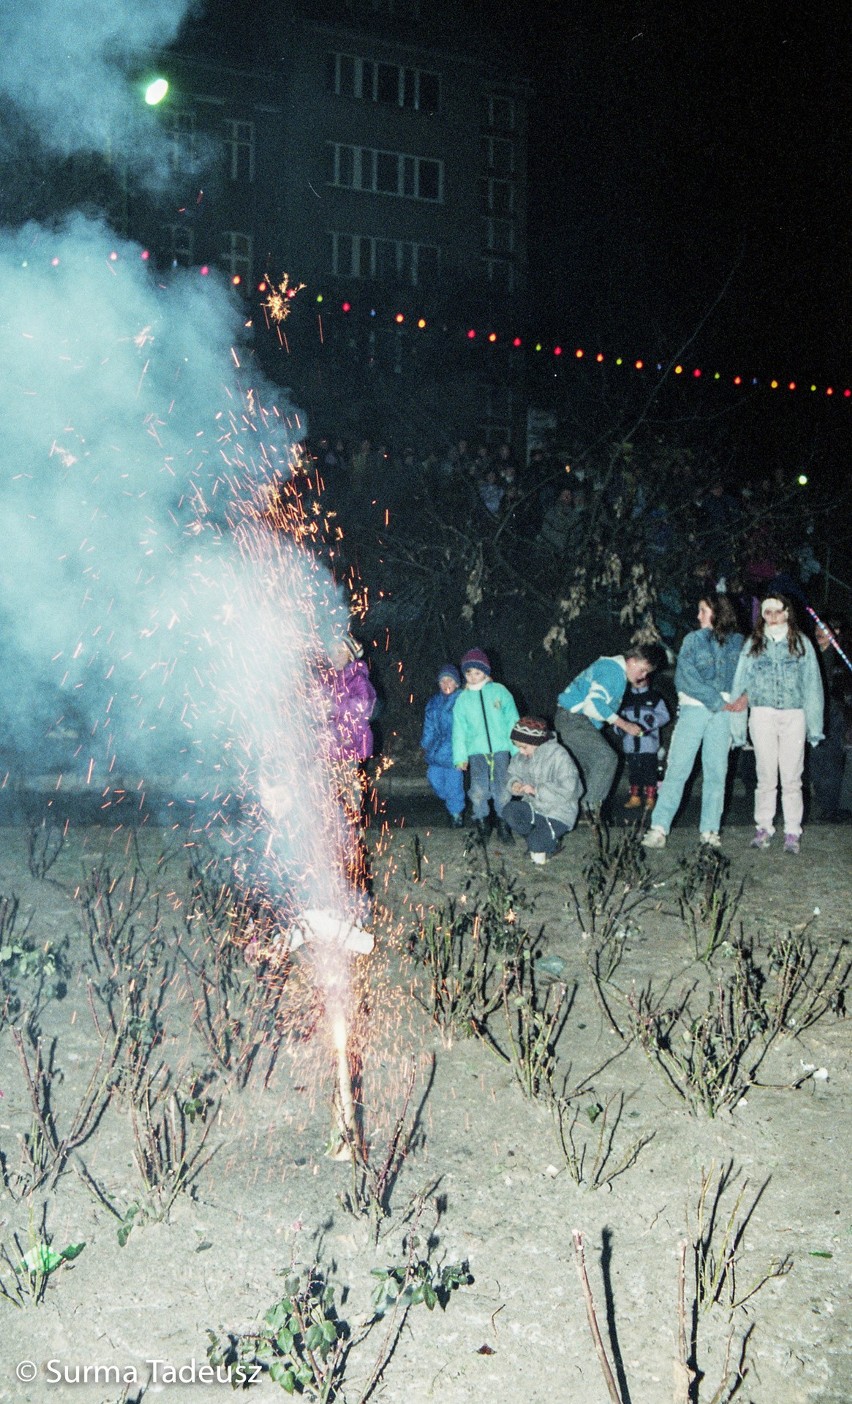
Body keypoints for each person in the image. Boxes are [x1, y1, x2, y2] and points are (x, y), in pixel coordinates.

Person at [642, 593, 744, 849]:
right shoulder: (692, 640)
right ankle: (658, 828)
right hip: (695, 708)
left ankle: (710, 830)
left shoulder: (739, 642)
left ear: (718, 612)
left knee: (717, 771)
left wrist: (743, 698)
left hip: (725, 713)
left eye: (703, 610)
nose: (698, 616)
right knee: (678, 767)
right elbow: (685, 677)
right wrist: (717, 700)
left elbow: (747, 674)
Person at [728, 593, 824, 854]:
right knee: (766, 775)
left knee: (792, 777)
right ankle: (764, 827)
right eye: (767, 612)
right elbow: (740, 683)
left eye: (777, 611)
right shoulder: (753, 644)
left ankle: (792, 830)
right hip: (762, 714)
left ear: (787, 613)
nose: (772, 617)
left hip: (794, 715)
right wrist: (737, 728)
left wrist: (815, 728)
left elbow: (813, 687)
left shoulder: (801, 644)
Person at [554, 646, 656, 817]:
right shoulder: (614, 671)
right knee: (605, 758)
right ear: (632, 661)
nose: (643, 676)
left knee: (586, 767)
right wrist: (625, 725)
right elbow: (593, 705)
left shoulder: (610, 667)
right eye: (643, 669)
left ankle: (569, 812)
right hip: (573, 719)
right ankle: (590, 813)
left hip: (570, 719)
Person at [452, 647, 519, 841]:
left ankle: (503, 825)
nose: (473, 677)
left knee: (503, 789)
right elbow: (459, 731)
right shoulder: (462, 700)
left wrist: (516, 749)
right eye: (469, 673)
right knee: (479, 789)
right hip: (476, 752)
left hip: (501, 749)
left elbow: (512, 721)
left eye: (477, 672)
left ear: (486, 672)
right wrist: (460, 757)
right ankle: (482, 824)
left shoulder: (500, 691)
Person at [501, 716, 581, 864]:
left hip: (559, 812)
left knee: (537, 846)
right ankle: (539, 838)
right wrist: (514, 784)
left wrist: (537, 791)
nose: (521, 751)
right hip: (536, 808)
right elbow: (511, 774)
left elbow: (571, 789)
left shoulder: (558, 755)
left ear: (536, 742)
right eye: (518, 746)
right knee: (509, 811)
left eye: (524, 747)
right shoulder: (522, 757)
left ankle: (544, 842)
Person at [809, 615, 852, 823]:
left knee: (832, 763)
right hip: (816, 713)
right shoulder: (812, 655)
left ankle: (832, 809)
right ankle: (826, 806)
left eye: (825, 630)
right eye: (817, 629)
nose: (820, 633)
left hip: (836, 715)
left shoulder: (842, 658)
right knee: (817, 762)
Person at [421, 664, 466, 827]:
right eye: (443, 681)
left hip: (455, 751)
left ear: (457, 683)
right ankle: (452, 803)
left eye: (450, 680)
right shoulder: (434, 702)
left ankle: (456, 814)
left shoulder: (462, 699)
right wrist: (426, 743)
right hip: (437, 750)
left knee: (454, 785)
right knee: (434, 779)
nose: (446, 684)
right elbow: (429, 725)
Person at [618, 675, 671, 811]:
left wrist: (651, 720)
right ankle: (635, 797)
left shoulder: (654, 697)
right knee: (634, 771)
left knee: (649, 771)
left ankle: (650, 797)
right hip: (630, 744)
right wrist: (620, 728)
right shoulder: (625, 698)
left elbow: (665, 716)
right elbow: (617, 718)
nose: (639, 681)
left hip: (649, 743)